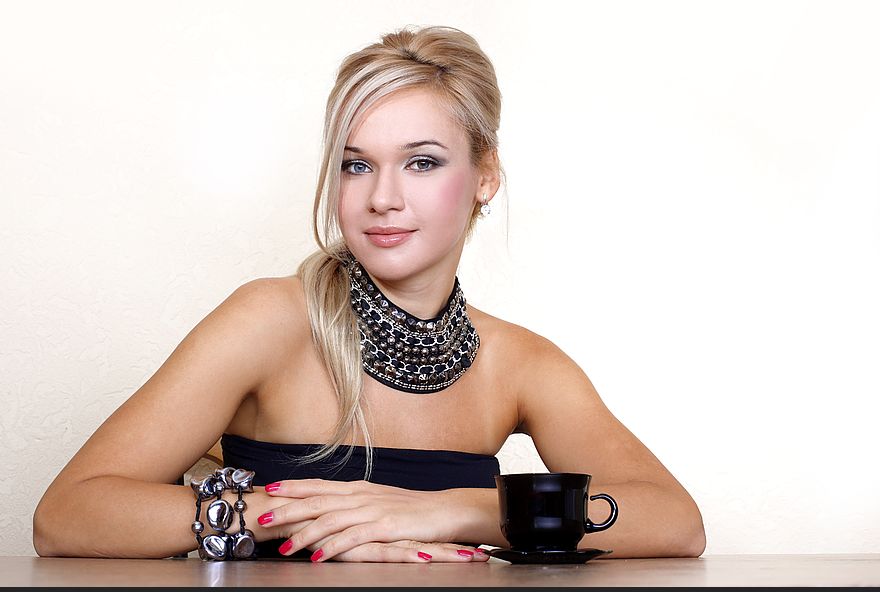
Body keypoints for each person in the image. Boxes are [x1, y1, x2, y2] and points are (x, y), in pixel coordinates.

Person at [33, 25, 705, 563]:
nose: (383, 198)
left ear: (485, 175)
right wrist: (304, 515)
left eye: (422, 161)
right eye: (357, 164)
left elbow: (675, 521)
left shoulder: (520, 362)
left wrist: (457, 508)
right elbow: (68, 514)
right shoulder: (269, 319)